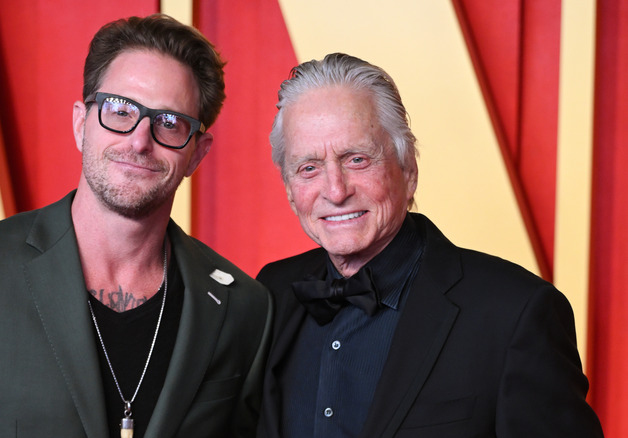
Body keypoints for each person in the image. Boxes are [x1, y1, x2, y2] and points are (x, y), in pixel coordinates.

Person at [0, 14, 271, 438]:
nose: (139, 141)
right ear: (81, 124)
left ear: (197, 153)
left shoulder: (243, 308)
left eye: (169, 123)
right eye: (120, 111)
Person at [256, 53, 602, 437]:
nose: (335, 191)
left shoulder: (516, 312)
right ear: (291, 191)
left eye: (357, 159)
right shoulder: (268, 295)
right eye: (309, 168)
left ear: (408, 170)